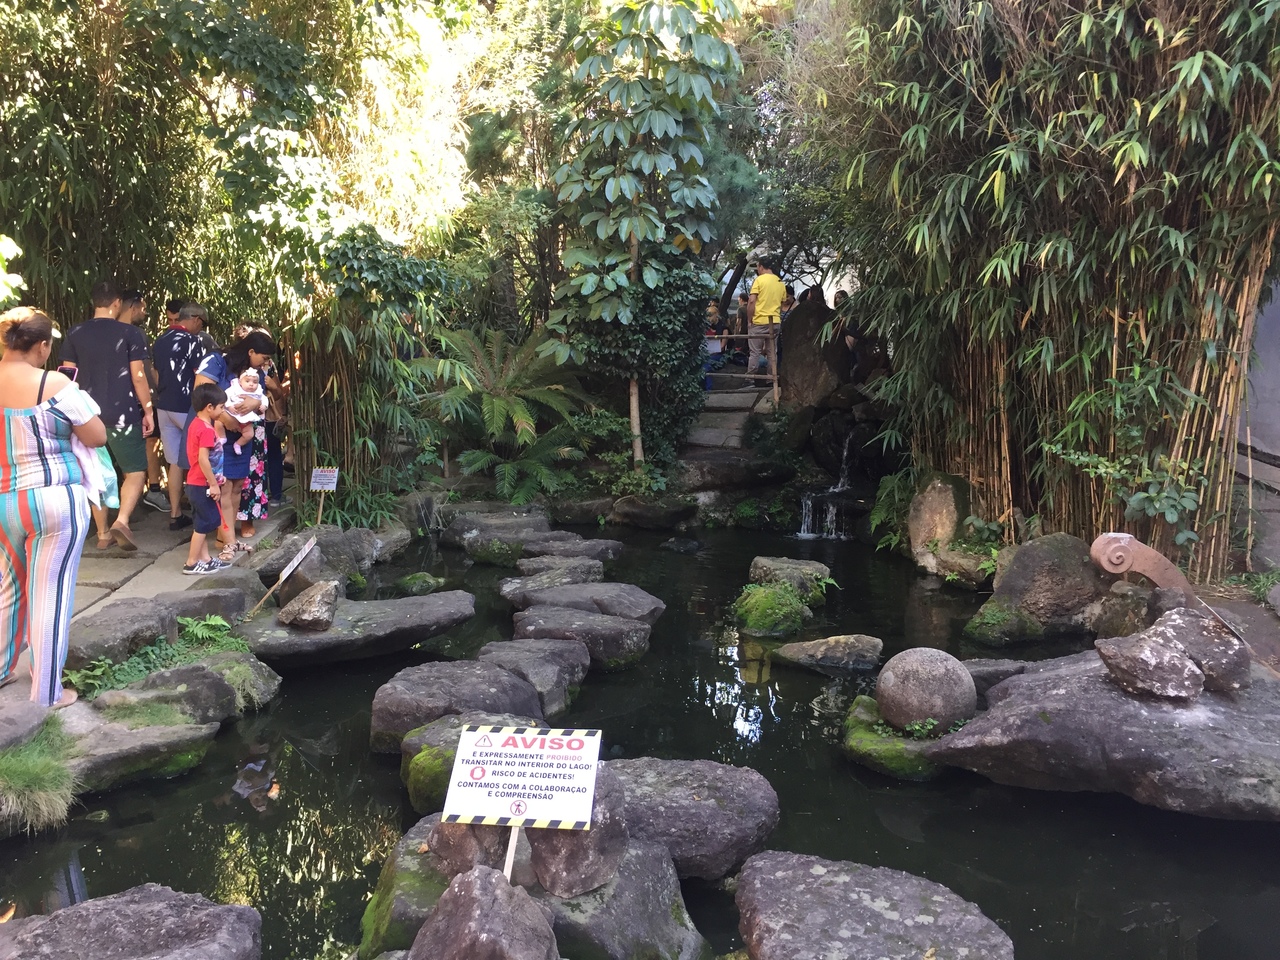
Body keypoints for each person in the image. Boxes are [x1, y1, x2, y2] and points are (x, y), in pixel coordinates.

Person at [0, 308, 106, 707]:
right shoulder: (55, 383)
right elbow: (96, 436)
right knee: (50, 595)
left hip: (5, 502)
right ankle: (47, 694)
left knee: (9, 588)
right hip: (54, 500)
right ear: (43, 346)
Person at [60, 279, 154, 551]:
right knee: (134, 471)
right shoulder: (129, 333)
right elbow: (138, 376)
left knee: (94, 472)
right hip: (123, 415)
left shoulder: (75, 332)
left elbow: (67, 376)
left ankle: (102, 534)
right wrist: (148, 410)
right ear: (117, 303)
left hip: (86, 415)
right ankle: (121, 520)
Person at [193, 330, 276, 556]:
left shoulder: (254, 373)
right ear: (251, 351)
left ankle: (227, 536)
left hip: (242, 435)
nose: (266, 363)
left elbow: (262, 398)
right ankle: (225, 535)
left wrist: (255, 403)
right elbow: (201, 393)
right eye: (264, 357)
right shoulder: (217, 361)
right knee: (224, 486)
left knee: (238, 485)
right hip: (218, 434)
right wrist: (225, 418)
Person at [152, 302, 210, 530]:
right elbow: (200, 376)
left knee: (174, 461)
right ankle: (202, 512)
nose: (202, 328)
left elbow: (156, 374)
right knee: (198, 457)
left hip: (163, 406)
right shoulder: (193, 342)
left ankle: (175, 513)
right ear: (195, 319)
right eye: (202, 323)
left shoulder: (161, 340)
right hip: (186, 406)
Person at [118, 290, 169, 516]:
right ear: (134, 306)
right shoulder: (135, 333)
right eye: (144, 308)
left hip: (114, 401)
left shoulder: (105, 331)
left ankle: (131, 495)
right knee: (151, 440)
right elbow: (143, 371)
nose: (145, 313)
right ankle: (153, 489)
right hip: (138, 399)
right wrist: (153, 395)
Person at [183, 383, 231, 575]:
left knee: (201, 522)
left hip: (196, 482)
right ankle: (191, 562)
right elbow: (204, 459)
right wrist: (213, 483)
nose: (223, 411)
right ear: (209, 407)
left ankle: (205, 558)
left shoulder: (196, 424)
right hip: (202, 484)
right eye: (221, 407)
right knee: (204, 525)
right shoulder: (207, 430)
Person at [745, 256, 786, 385]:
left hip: (759, 321)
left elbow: (752, 301)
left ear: (761, 267)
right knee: (772, 352)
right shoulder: (780, 282)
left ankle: (750, 379)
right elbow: (782, 303)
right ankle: (771, 378)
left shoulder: (759, 280)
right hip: (775, 321)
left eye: (758, 267)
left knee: (755, 352)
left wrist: (749, 320)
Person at [224, 368, 268, 455]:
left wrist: (264, 405)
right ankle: (221, 438)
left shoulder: (258, 392)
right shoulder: (234, 388)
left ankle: (238, 444)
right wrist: (229, 406)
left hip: (246, 417)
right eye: (247, 381)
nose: (251, 384)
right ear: (240, 382)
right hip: (232, 414)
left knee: (250, 434)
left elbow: (264, 398)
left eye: (255, 382)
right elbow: (225, 396)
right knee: (218, 423)